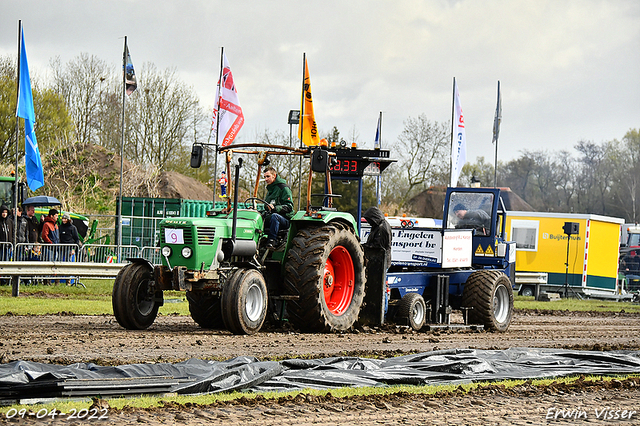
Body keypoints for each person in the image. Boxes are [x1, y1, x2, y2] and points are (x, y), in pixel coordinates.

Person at [262, 166, 294, 249]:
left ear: (274, 176)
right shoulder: (270, 190)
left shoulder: (284, 189)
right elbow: (266, 206)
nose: (266, 179)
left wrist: (275, 208)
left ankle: (272, 240)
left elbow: (289, 207)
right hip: (272, 218)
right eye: (264, 177)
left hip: (285, 219)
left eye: (268, 176)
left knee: (274, 216)